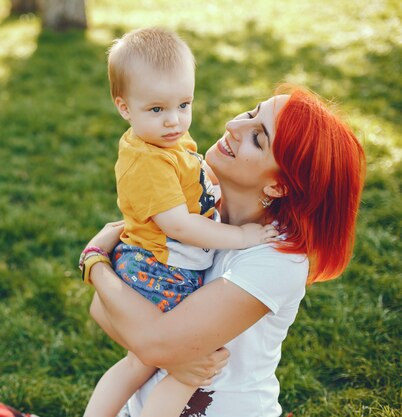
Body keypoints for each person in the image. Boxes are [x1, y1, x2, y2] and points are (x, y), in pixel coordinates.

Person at [80, 85, 366, 417]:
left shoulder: (277, 260)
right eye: (250, 114)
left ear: (278, 186)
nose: (233, 126)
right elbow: (102, 310)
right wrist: (163, 352)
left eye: (258, 138)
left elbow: (151, 339)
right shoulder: (192, 210)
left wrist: (95, 260)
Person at [81, 28, 278, 417]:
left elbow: (196, 175)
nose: (173, 120)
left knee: (143, 361)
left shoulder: (169, 140)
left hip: (162, 265)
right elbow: (181, 226)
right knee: (181, 367)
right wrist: (239, 234)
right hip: (159, 270)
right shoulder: (148, 161)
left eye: (183, 104)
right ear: (124, 107)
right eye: (156, 109)